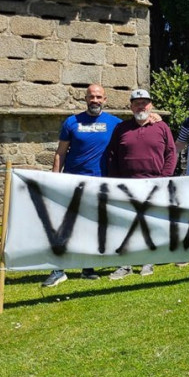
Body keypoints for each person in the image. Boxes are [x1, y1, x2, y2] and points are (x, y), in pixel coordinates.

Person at [42, 84, 122, 287]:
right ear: (85, 99)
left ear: (105, 99)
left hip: (99, 182)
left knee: (90, 227)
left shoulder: (115, 123)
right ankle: (58, 270)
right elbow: (61, 152)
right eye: (91, 97)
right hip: (72, 182)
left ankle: (87, 268)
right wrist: (54, 179)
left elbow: (136, 129)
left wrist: (154, 117)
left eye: (98, 97)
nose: (95, 100)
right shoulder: (72, 122)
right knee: (65, 226)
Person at [106, 89, 177, 279]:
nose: (141, 106)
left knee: (149, 223)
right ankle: (125, 264)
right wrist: (116, 181)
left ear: (151, 105)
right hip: (126, 184)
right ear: (130, 106)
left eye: (144, 103)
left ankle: (148, 261)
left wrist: (164, 178)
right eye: (137, 103)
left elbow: (171, 154)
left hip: (154, 183)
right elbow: (112, 156)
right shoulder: (121, 129)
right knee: (125, 224)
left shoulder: (162, 128)